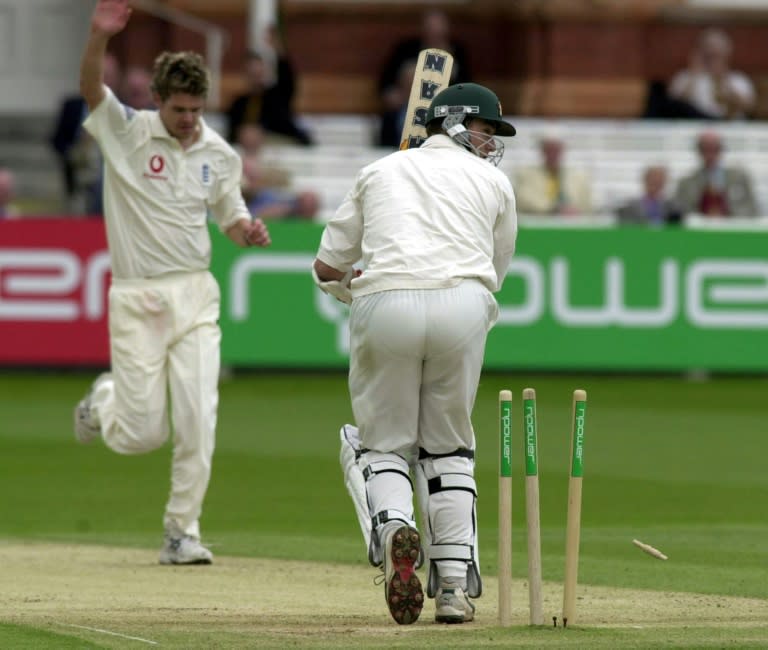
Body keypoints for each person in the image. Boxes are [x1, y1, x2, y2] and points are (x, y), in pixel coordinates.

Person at [73, 0, 271, 566]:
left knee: (197, 417)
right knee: (140, 434)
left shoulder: (219, 154)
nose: (188, 119)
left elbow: (229, 216)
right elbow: (91, 90)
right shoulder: (127, 132)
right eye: (179, 108)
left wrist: (246, 231)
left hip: (195, 297)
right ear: (157, 99)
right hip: (138, 299)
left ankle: (181, 532)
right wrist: (97, 36)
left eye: (196, 109)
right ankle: (104, 399)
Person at [312, 82, 517, 625]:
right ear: (453, 124)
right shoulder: (495, 182)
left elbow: (326, 268)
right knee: (449, 448)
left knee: (383, 444)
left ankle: (394, 525)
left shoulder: (379, 172)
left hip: (386, 303)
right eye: (484, 129)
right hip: (465, 304)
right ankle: (453, 589)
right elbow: (494, 271)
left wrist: (354, 290)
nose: (490, 141)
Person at [49, 51, 122, 214]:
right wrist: (73, 154)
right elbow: (57, 141)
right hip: (79, 173)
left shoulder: (124, 111)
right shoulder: (71, 106)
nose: (103, 81)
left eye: (108, 76)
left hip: (111, 176)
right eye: (98, 76)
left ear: (117, 79)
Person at [647, 28, 755, 120]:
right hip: (692, 126)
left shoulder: (738, 79)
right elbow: (673, 106)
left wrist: (722, 80)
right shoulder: (685, 77)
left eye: (717, 54)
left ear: (726, 54)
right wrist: (694, 75)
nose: (712, 59)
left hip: (727, 127)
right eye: (709, 53)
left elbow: (747, 107)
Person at [226, 40, 313, 146]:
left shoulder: (276, 98)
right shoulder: (238, 103)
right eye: (252, 73)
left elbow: (288, 81)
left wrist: (279, 53)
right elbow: (232, 132)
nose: (255, 76)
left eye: (258, 72)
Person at [236, 124, 319, 220]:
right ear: (240, 139)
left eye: (254, 137)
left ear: (261, 139)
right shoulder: (232, 165)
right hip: (247, 207)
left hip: (275, 203)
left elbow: (286, 186)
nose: (251, 141)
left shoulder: (273, 164)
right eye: (248, 137)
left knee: (309, 199)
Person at [674, 130, 757, 218]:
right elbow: (679, 213)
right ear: (699, 151)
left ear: (721, 150)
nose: (710, 154)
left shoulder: (740, 178)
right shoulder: (686, 183)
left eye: (714, 149)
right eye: (705, 149)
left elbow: (752, 208)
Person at [514, 132, 592, 216]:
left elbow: (586, 206)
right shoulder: (525, 175)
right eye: (549, 150)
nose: (553, 154)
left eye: (556, 150)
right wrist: (552, 209)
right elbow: (523, 201)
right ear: (543, 151)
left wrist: (573, 210)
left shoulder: (578, 177)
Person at [616, 165, 682, 226]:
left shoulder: (673, 207)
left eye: (659, 180)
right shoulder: (630, 207)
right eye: (652, 179)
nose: (655, 182)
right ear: (645, 180)